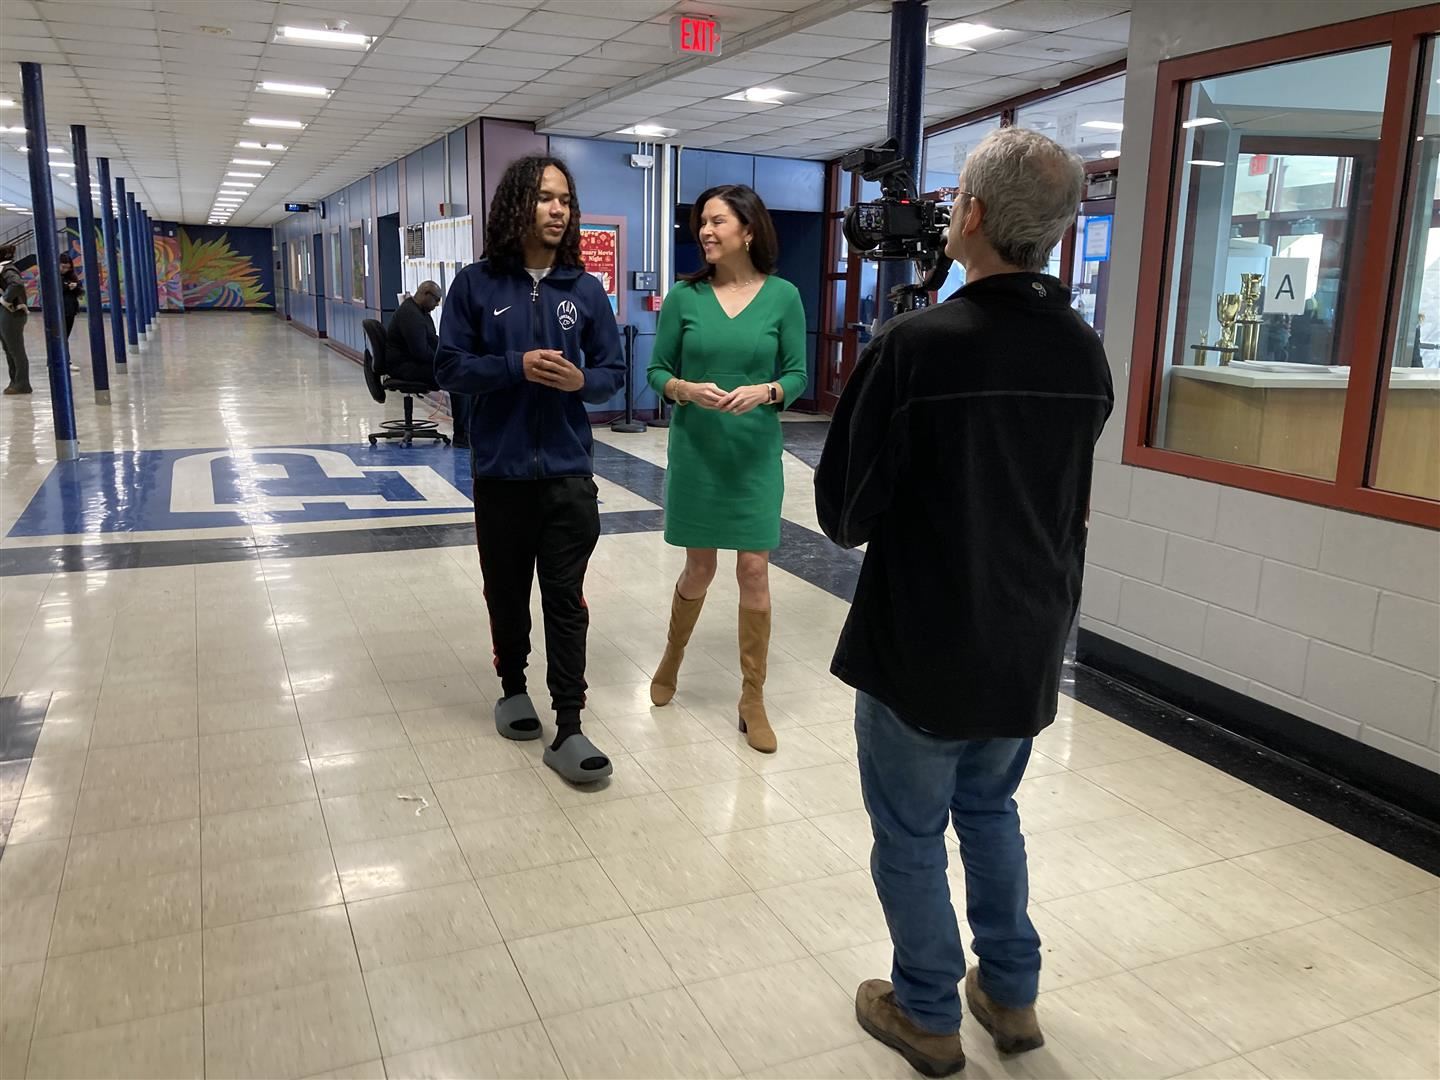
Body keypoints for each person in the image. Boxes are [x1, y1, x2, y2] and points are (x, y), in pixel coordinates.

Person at [815, 127, 1113, 1077]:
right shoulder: (1083, 351)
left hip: (924, 637)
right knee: (990, 812)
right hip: (1029, 636)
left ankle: (928, 1011)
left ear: (973, 216)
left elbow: (843, 514)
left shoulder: (916, 346)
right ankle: (1012, 995)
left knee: (910, 831)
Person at [436, 155, 625, 784]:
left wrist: (579, 382)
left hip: (568, 473)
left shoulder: (584, 289)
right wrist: (513, 366)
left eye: (565, 200)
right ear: (517, 203)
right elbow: (449, 367)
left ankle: (569, 724)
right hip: (501, 473)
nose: (557, 210)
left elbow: (612, 374)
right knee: (507, 590)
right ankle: (512, 688)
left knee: (565, 599)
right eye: (545, 197)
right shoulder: (475, 286)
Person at [644, 185, 808, 754]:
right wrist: (684, 389)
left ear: (749, 230)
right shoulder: (684, 298)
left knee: (754, 570)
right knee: (699, 569)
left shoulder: (784, 296)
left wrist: (768, 391)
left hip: (753, 454)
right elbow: (656, 371)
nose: (705, 232)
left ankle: (752, 697)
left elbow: (797, 374)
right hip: (698, 451)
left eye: (717, 221)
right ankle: (671, 657)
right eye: (702, 223)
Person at [385, 279, 442, 383]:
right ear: (426, 294)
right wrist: (442, 359)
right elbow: (421, 352)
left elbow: (432, 339)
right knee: (450, 373)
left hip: (411, 362)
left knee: (453, 368)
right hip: (403, 366)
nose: (437, 304)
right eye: (436, 299)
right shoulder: (411, 314)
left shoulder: (420, 312)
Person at [0, 244, 31, 396]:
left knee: (15, 349)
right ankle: (15, 381)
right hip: (7, 313)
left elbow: (16, 284)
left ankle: (22, 383)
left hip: (12, 313)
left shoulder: (7, 269)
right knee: (9, 349)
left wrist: (5, 299)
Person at [60, 252, 82, 373]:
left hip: (70, 310)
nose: (65, 270)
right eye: (63, 267)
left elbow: (80, 290)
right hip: (59, 310)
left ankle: (62, 360)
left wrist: (75, 287)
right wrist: (68, 287)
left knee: (64, 337)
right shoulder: (52, 276)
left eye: (67, 267)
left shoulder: (71, 276)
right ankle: (64, 361)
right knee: (61, 337)